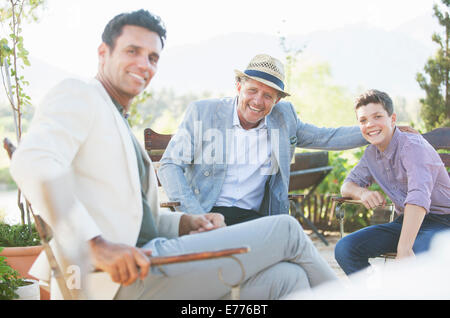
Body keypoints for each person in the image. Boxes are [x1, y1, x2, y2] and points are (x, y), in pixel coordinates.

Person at [10, 9, 339, 300]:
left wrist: (185, 221)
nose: (144, 63)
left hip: (149, 262)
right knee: (287, 230)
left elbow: (134, 222)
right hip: (112, 279)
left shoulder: (118, 122)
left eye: (152, 57)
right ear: (103, 53)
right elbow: (31, 161)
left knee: (288, 278)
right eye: (132, 51)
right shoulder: (79, 94)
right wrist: (95, 246)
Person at [158, 54, 415, 226]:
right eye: (252, 90)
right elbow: (170, 165)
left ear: (278, 100)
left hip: (257, 219)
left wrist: (379, 129)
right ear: (238, 86)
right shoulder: (203, 112)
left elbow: (327, 137)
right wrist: (196, 215)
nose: (258, 101)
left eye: (268, 96)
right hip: (208, 211)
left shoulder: (284, 118)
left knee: (293, 257)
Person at [334, 89, 450, 275]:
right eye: (363, 120)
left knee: (420, 254)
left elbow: (418, 196)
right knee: (345, 248)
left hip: (443, 222)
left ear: (392, 119)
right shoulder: (371, 154)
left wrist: (404, 249)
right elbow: (347, 185)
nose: (370, 124)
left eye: (377, 116)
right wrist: (362, 193)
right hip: (404, 222)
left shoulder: (413, 146)